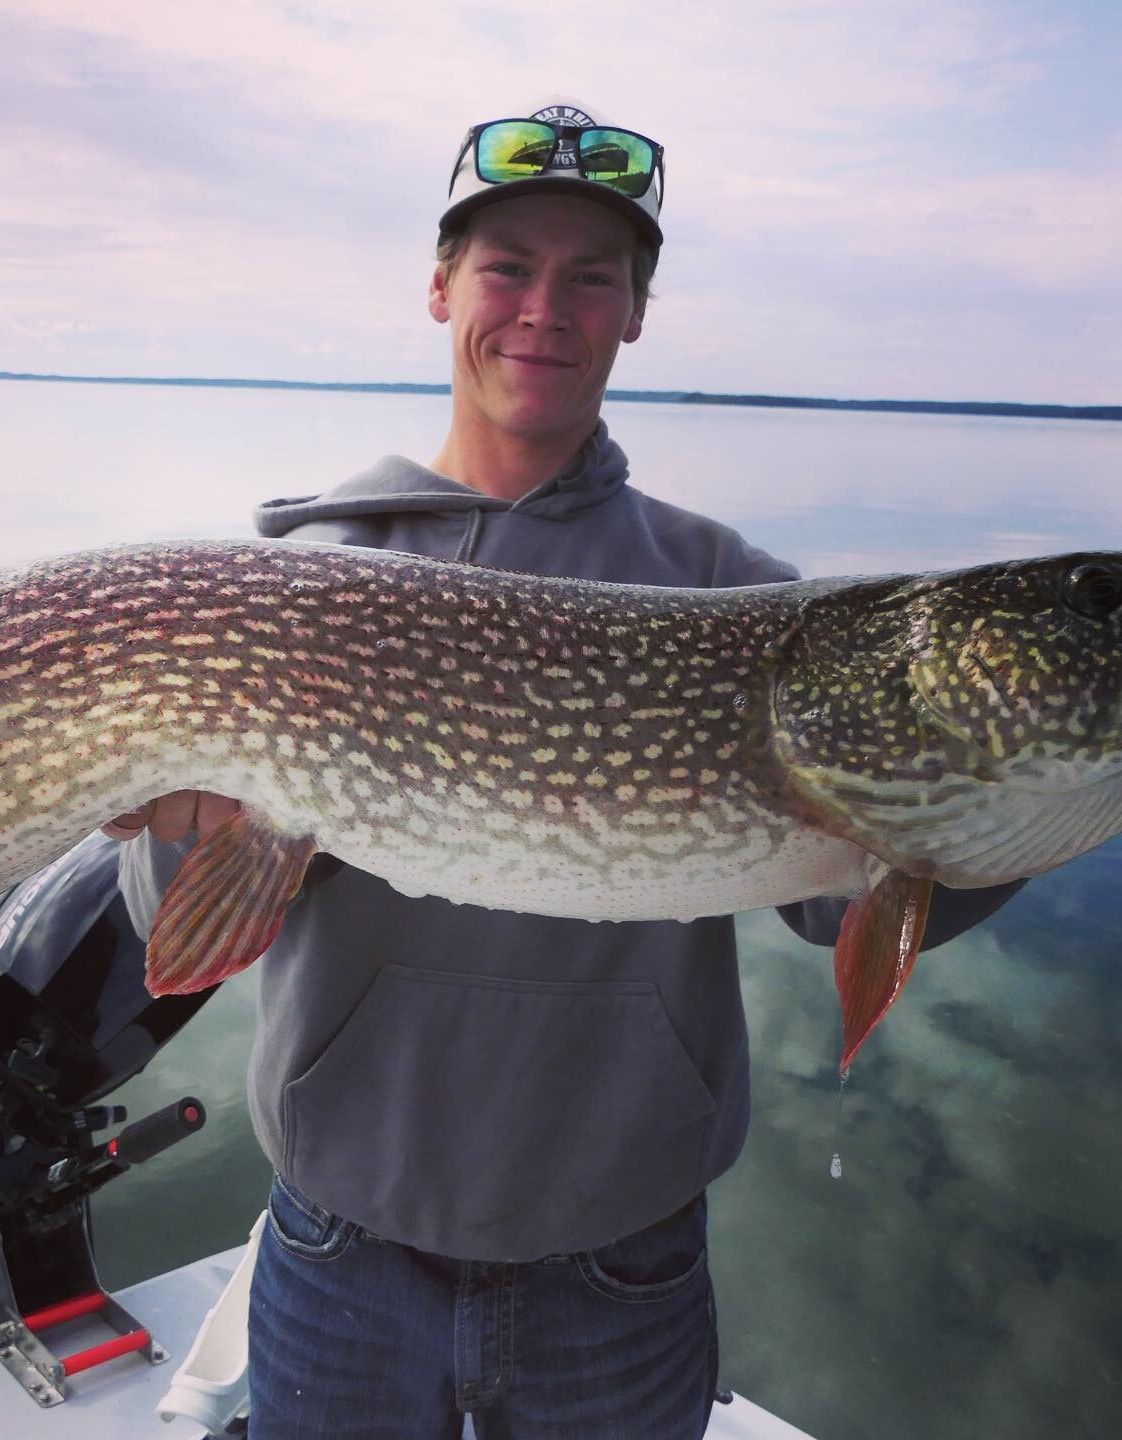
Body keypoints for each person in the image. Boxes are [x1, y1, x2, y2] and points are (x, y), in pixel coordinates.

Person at [105, 99, 1020, 1439]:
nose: (546, 308)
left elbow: (858, 901)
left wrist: (1011, 810)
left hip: (620, 1269)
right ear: (441, 288)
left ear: (636, 313)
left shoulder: (733, 594)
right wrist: (187, 829)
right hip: (339, 1248)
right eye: (509, 267)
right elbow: (174, 925)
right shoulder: (304, 583)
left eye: (593, 276)